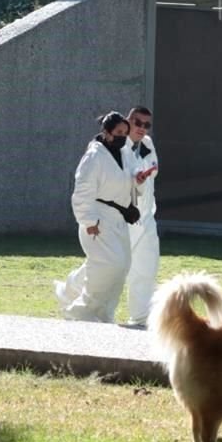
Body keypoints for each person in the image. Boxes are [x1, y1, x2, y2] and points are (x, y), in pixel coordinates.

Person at [55, 112, 145, 322]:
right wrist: (88, 221)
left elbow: (131, 175)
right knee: (109, 264)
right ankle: (82, 310)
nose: (123, 136)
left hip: (118, 217)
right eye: (119, 132)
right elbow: (82, 191)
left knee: (121, 266)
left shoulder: (125, 153)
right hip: (98, 216)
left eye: (126, 132)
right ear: (107, 132)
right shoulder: (94, 157)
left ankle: (96, 308)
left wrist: (138, 179)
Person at [123, 106, 160, 327]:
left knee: (146, 267)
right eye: (137, 122)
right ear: (129, 121)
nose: (142, 128)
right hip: (125, 218)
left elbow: (152, 172)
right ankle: (76, 299)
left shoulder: (147, 145)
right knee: (112, 267)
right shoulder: (117, 146)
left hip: (146, 216)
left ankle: (141, 316)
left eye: (146, 125)